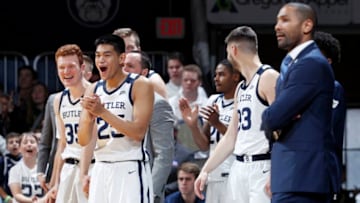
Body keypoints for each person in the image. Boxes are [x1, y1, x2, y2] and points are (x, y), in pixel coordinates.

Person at [261, 2, 336, 202]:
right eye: (277, 21)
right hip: (290, 176)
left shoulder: (310, 63)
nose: (277, 26)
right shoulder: (294, 63)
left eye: (285, 20)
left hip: (303, 177)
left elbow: (271, 117)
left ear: (306, 26)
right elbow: (275, 119)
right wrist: (280, 117)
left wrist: (277, 118)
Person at [194, 26, 279, 203]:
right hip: (238, 167)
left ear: (233, 50)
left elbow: (283, 131)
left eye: (227, 52)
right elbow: (231, 136)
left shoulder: (268, 77)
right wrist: (206, 170)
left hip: (263, 166)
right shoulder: (240, 88)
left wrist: (277, 171)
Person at [78, 34, 154, 203]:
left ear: (121, 58)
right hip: (100, 167)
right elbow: (83, 140)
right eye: (97, 55)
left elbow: (139, 132)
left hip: (130, 167)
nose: (101, 60)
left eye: (107, 55)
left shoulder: (140, 85)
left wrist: (102, 112)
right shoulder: (93, 89)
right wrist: (88, 119)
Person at [179, 59, 241, 203]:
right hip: (214, 174)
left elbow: (240, 141)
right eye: (215, 75)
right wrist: (193, 125)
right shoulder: (213, 100)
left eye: (221, 74)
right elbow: (204, 145)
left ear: (235, 76)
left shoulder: (242, 101)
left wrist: (217, 123)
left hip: (233, 172)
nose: (216, 79)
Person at [37, 54, 94, 193]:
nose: (66, 72)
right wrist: (55, 181)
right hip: (68, 168)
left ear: (82, 68)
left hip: (91, 167)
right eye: (61, 67)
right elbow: (61, 143)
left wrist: (84, 174)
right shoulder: (58, 99)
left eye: (71, 67)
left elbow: (91, 140)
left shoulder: (96, 94)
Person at [123, 50, 175, 203]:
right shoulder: (114, 101)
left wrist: (151, 192)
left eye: (130, 66)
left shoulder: (158, 104)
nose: (124, 70)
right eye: (122, 65)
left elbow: (164, 155)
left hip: (143, 186)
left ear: (144, 72)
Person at [314, 31, 346, 202]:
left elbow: (325, 130)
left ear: (327, 62)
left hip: (324, 170)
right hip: (297, 170)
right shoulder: (293, 86)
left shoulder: (334, 89)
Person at [113, 27, 168, 99]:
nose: (126, 53)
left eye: (130, 48)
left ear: (138, 50)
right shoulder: (107, 80)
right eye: (121, 48)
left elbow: (163, 109)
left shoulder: (153, 81)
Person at [8, 132, 45, 203]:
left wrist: (41, 201)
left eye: (32, 142)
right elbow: (17, 194)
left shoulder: (46, 168)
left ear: (38, 147)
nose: (29, 144)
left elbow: (49, 191)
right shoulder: (14, 170)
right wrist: (32, 201)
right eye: (25, 142)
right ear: (19, 149)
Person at [0, 132, 21, 203]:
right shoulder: (2, 161)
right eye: (11, 142)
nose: (14, 144)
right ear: (6, 147)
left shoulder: (26, 160)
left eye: (17, 142)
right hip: (8, 198)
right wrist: (6, 198)